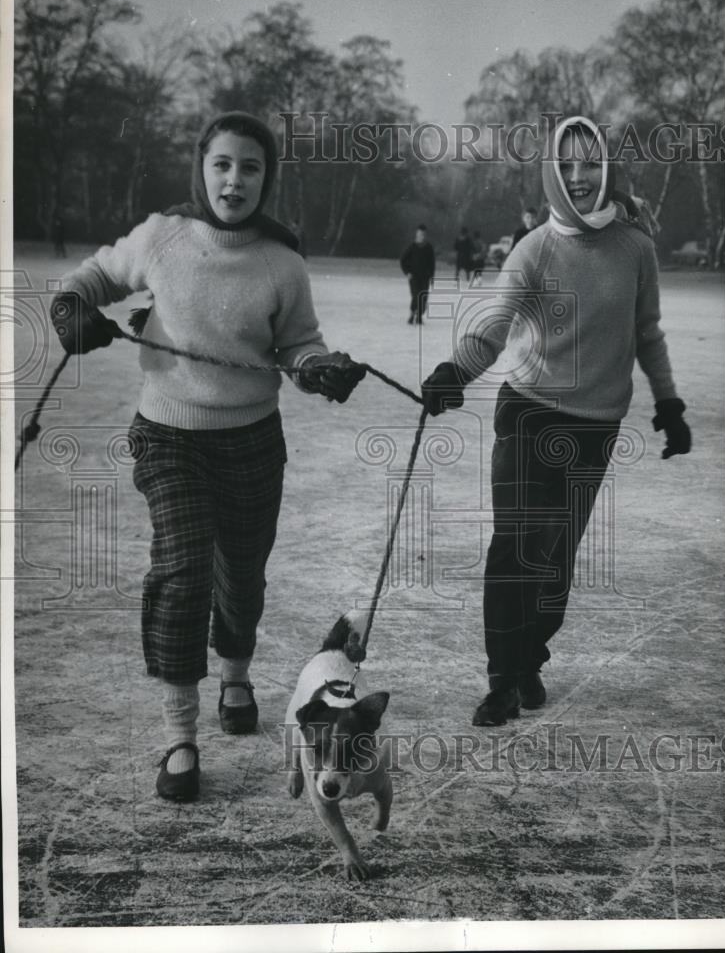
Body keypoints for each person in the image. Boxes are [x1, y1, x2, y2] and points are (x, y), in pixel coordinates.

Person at [50, 111, 366, 801]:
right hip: (168, 433)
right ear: (202, 168)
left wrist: (318, 367)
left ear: (266, 179)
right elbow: (92, 277)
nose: (234, 179)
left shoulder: (281, 262)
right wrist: (72, 310)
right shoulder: (163, 238)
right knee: (184, 566)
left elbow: (298, 343)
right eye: (222, 163)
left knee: (242, 576)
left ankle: (236, 674)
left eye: (250, 167)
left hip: (252, 438)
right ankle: (179, 736)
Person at [421, 115, 691, 727]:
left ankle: (530, 657)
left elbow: (646, 333)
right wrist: (455, 373)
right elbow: (494, 325)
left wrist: (669, 403)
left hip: (595, 426)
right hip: (529, 414)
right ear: (551, 172)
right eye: (566, 164)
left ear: (607, 168)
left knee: (557, 555)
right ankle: (500, 679)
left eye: (589, 162)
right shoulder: (536, 248)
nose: (578, 175)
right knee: (516, 545)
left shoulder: (636, 249)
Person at [400, 223, 435, 325]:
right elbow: (402, 260)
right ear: (417, 234)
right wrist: (407, 273)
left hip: (425, 277)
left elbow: (432, 263)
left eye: (423, 234)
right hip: (414, 276)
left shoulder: (428, 247)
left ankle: (419, 316)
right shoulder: (412, 246)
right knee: (416, 296)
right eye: (420, 234)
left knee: (423, 297)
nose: (421, 236)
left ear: (425, 234)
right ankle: (412, 315)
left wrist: (432, 276)